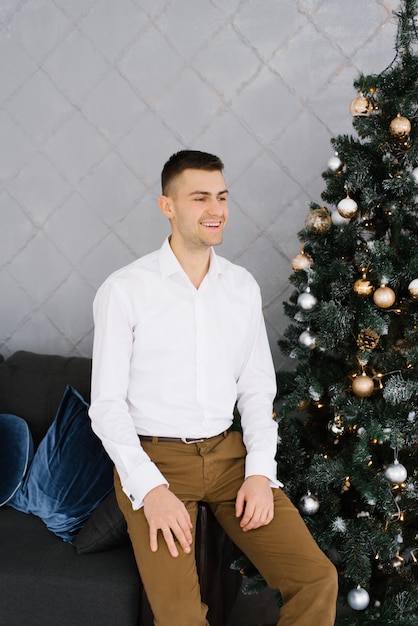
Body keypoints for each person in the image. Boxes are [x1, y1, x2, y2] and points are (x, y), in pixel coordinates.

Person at [89, 149, 338, 626]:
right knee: (181, 616)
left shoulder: (241, 287)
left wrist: (260, 472)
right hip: (155, 460)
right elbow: (106, 407)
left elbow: (258, 391)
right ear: (168, 206)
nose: (216, 210)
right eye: (200, 197)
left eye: (222, 197)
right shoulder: (124, 290)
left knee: (316, 579)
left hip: (229, 457)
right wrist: (150, 490)